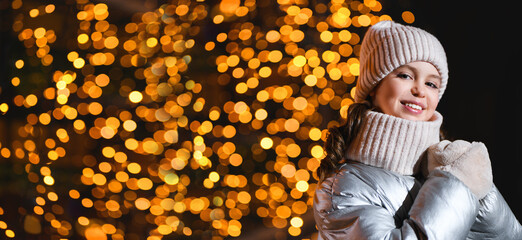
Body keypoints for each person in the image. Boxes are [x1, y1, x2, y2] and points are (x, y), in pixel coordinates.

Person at [313, 20, 522, 239]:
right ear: (373, 86)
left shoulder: (446, 166)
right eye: (405, 75)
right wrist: (457, 184)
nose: (419, 90)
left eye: (431, 84)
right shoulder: (342, 187)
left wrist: (478, 187)